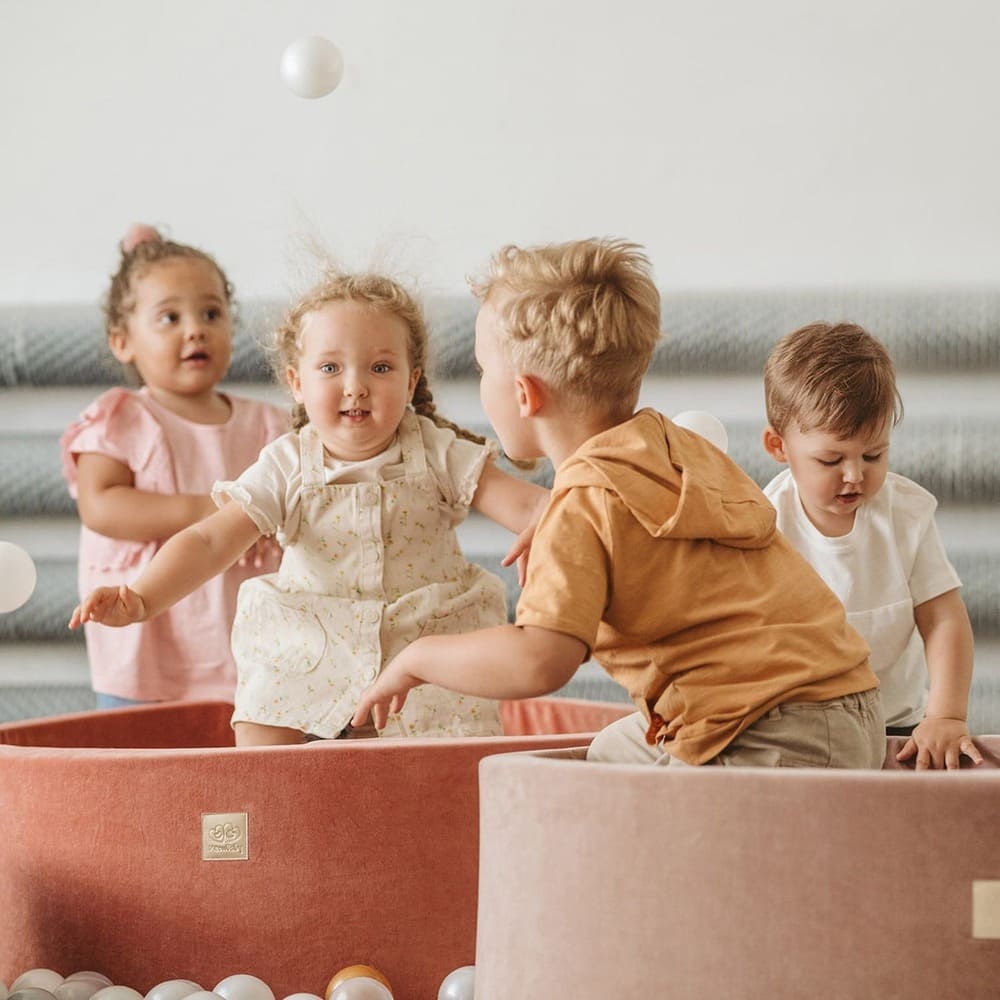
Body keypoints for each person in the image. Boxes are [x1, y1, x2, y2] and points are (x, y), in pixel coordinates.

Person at [352, 238, 885, 770]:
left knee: (629, 831)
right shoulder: (673, 446)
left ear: (524, 395)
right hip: (851, 704)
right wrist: (568, 523)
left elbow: (540, 660)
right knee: (606, 755)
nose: (481, 385)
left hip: (768, 734)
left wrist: (419, 656)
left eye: (482, 369)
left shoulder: (584, 506)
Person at [70, 269, 549, 747]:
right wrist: (142, 597)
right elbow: (210, 539)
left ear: (411, 382)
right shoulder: (287, 464)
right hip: (313, 648)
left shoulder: (439, 452)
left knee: (447, 751)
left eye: (380, 368)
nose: (356, 386)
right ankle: (269, 813)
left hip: (421, 643)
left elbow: (530, 506)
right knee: (262, 719)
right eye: (330, 368)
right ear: (297, 383)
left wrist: (554, 522)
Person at [62, 224, 289, 709]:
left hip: (246, 636)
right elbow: (101, 505)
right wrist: (210, 510)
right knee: (142, 758)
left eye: (211, 312)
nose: (195, 329)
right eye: (169, 317)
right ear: (123, 341)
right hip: (150, 641)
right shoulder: (122, 418)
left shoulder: (269, 426)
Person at [761, 321, 981, 770]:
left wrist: (946, 715)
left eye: (874, 455)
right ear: (778, 446)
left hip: (895, 725)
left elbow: (943, 620)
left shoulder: (906, 515)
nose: (855, 475)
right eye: (831, 459)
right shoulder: (765, 522)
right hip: (800, 725)